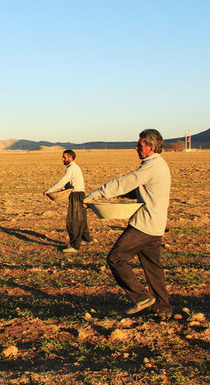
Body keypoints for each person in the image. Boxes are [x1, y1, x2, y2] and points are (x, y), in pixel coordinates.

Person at [84, 129, 173, 319]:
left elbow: (126, 182)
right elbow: (137, 189)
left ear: (150, 147)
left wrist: (95, 195)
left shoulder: (151, 167)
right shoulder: (159, 165)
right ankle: (163, 307)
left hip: (144, 225)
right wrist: (119, 193)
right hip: (156, 225)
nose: (136, 148)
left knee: (115, 258)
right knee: (153, 268)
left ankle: (141, 297)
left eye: (139, 145)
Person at [44, 149, 93, 253]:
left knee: (73, 221)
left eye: (64, 157)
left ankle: (75, 246)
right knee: (81, 219)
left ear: (70, 158)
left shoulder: (71, 168)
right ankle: (86, 239)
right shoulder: (74, 167)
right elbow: (69, 182)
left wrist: (50, 190)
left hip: (76, 195)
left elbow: (63, 181)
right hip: (80, 194)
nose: (63, 159)